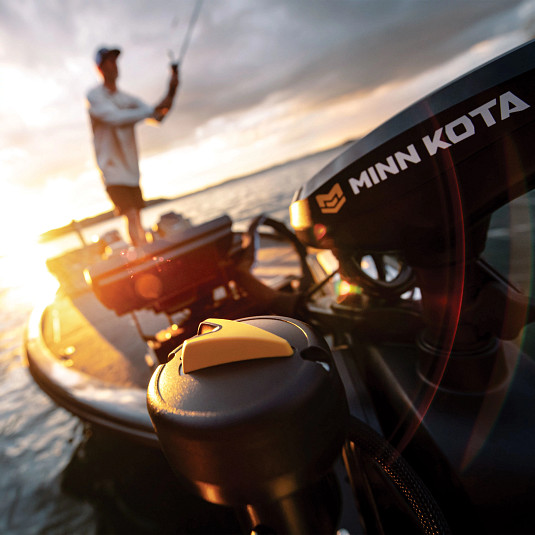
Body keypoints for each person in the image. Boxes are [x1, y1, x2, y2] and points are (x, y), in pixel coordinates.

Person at [87, 46, 179, 246]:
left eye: (115, 62)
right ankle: (141, 256)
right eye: (108, 62)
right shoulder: (94, 96)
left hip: (131, 171)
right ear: (99, 68)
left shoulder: (127, 99)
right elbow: (116, 118)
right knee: (130, 215)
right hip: (112, 171)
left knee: (137, 215)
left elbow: (157, 115)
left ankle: (144, 252)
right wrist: (149, 112)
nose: (113, 66)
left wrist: (172, 89)